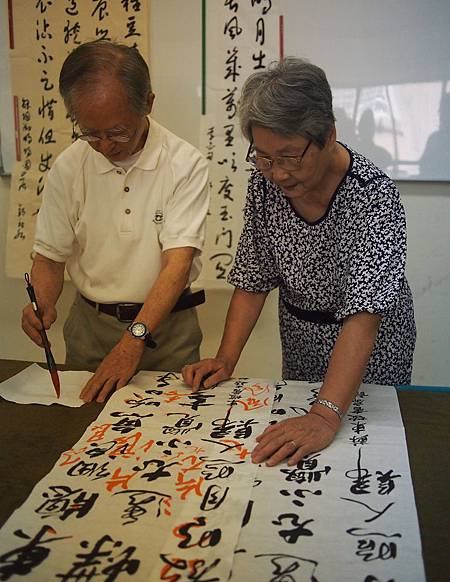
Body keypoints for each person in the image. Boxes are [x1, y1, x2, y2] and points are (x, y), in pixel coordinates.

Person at [182, 57, 416, 467]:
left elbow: (363, 315)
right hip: (302, 340)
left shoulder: (374, 196)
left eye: (290, 156)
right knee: (299, 460)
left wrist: (326, 414)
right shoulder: (266, 182)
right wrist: (225, 359)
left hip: (371, 349)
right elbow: (254, 276)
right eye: (264, 157)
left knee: (361, 458)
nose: (278, 174)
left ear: (327, 136)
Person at [22, 40, 209, 404]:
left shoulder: (184, 164)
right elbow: (49, 255)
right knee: (84, 436)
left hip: (167, 332)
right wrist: (41, 302)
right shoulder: (69, 166)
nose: (106, 146)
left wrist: (134, 339)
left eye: (118, 132)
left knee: (168, 434)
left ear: (148, 104)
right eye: (91, 133)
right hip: (90, 329)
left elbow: (178, 263)